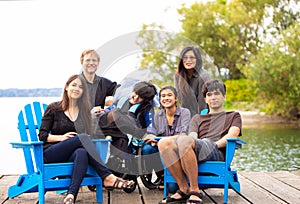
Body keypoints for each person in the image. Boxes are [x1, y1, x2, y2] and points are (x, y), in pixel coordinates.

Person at [38, 74, 134, 204]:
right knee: (82, 138)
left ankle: (71, 195)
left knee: (81, 152)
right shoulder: (54, 108)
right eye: (74, 85)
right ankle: (107, 176)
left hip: (71, 154)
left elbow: (89, 138)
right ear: (67, 87)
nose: (77, 88)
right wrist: (61, 138)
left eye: (81, 87)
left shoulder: (84, 112)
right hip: (51, 153)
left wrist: (93, 117)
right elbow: (42, 136)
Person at [157, 79, 242, 204]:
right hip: (197, 148)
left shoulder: (233, 115)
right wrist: (168, 139)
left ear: (224, 96)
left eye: (217, 94)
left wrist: (213, 146)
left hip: (216, 151)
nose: (213, 97)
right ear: (205, 99)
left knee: (186, 141)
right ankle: (184, 188)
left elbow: (232, 135)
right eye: (209, 94)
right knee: (164, 144)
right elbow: (192, 137)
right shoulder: (197, 118)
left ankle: (195, 190)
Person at [142, 85, 191, 189]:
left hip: (177, 151)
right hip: (161, 150)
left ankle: (178, 177)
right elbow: (152, 133)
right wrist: (151, 137)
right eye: (163, 96)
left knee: (172, 189)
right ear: (160, 100)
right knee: (147, 149)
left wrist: (163, 140)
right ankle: (162, 176)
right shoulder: (157, 115)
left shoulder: (185, 112)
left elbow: (183, 135)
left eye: (169, 95)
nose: (166, 98)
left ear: (176, 98)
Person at [97, 81, 158, 157]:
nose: (136, 98)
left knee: (116, 113)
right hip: (116, 132)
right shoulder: (121, 101)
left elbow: (151, 126)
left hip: (134, 134)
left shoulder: (147, 108)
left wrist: (151, 135)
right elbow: (107, 112)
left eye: (140, 97)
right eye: (136, 94)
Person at [174, 46, 211, 117]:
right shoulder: (177, 76)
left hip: (202, 115)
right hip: (185, 115)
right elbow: (180, 100)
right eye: (185, 57)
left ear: (197, 60)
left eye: (192, 57)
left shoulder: (204, 76)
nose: (188, 60)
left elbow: (202, 104)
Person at [79, 49, 119, 114]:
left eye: (94, 60)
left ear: (98, 63)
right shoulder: (75, 83)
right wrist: (89, 113)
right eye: (88, 60)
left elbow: (120, 92)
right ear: (82, 62)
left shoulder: (105, 83)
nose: (91, 63)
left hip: (98, 121)